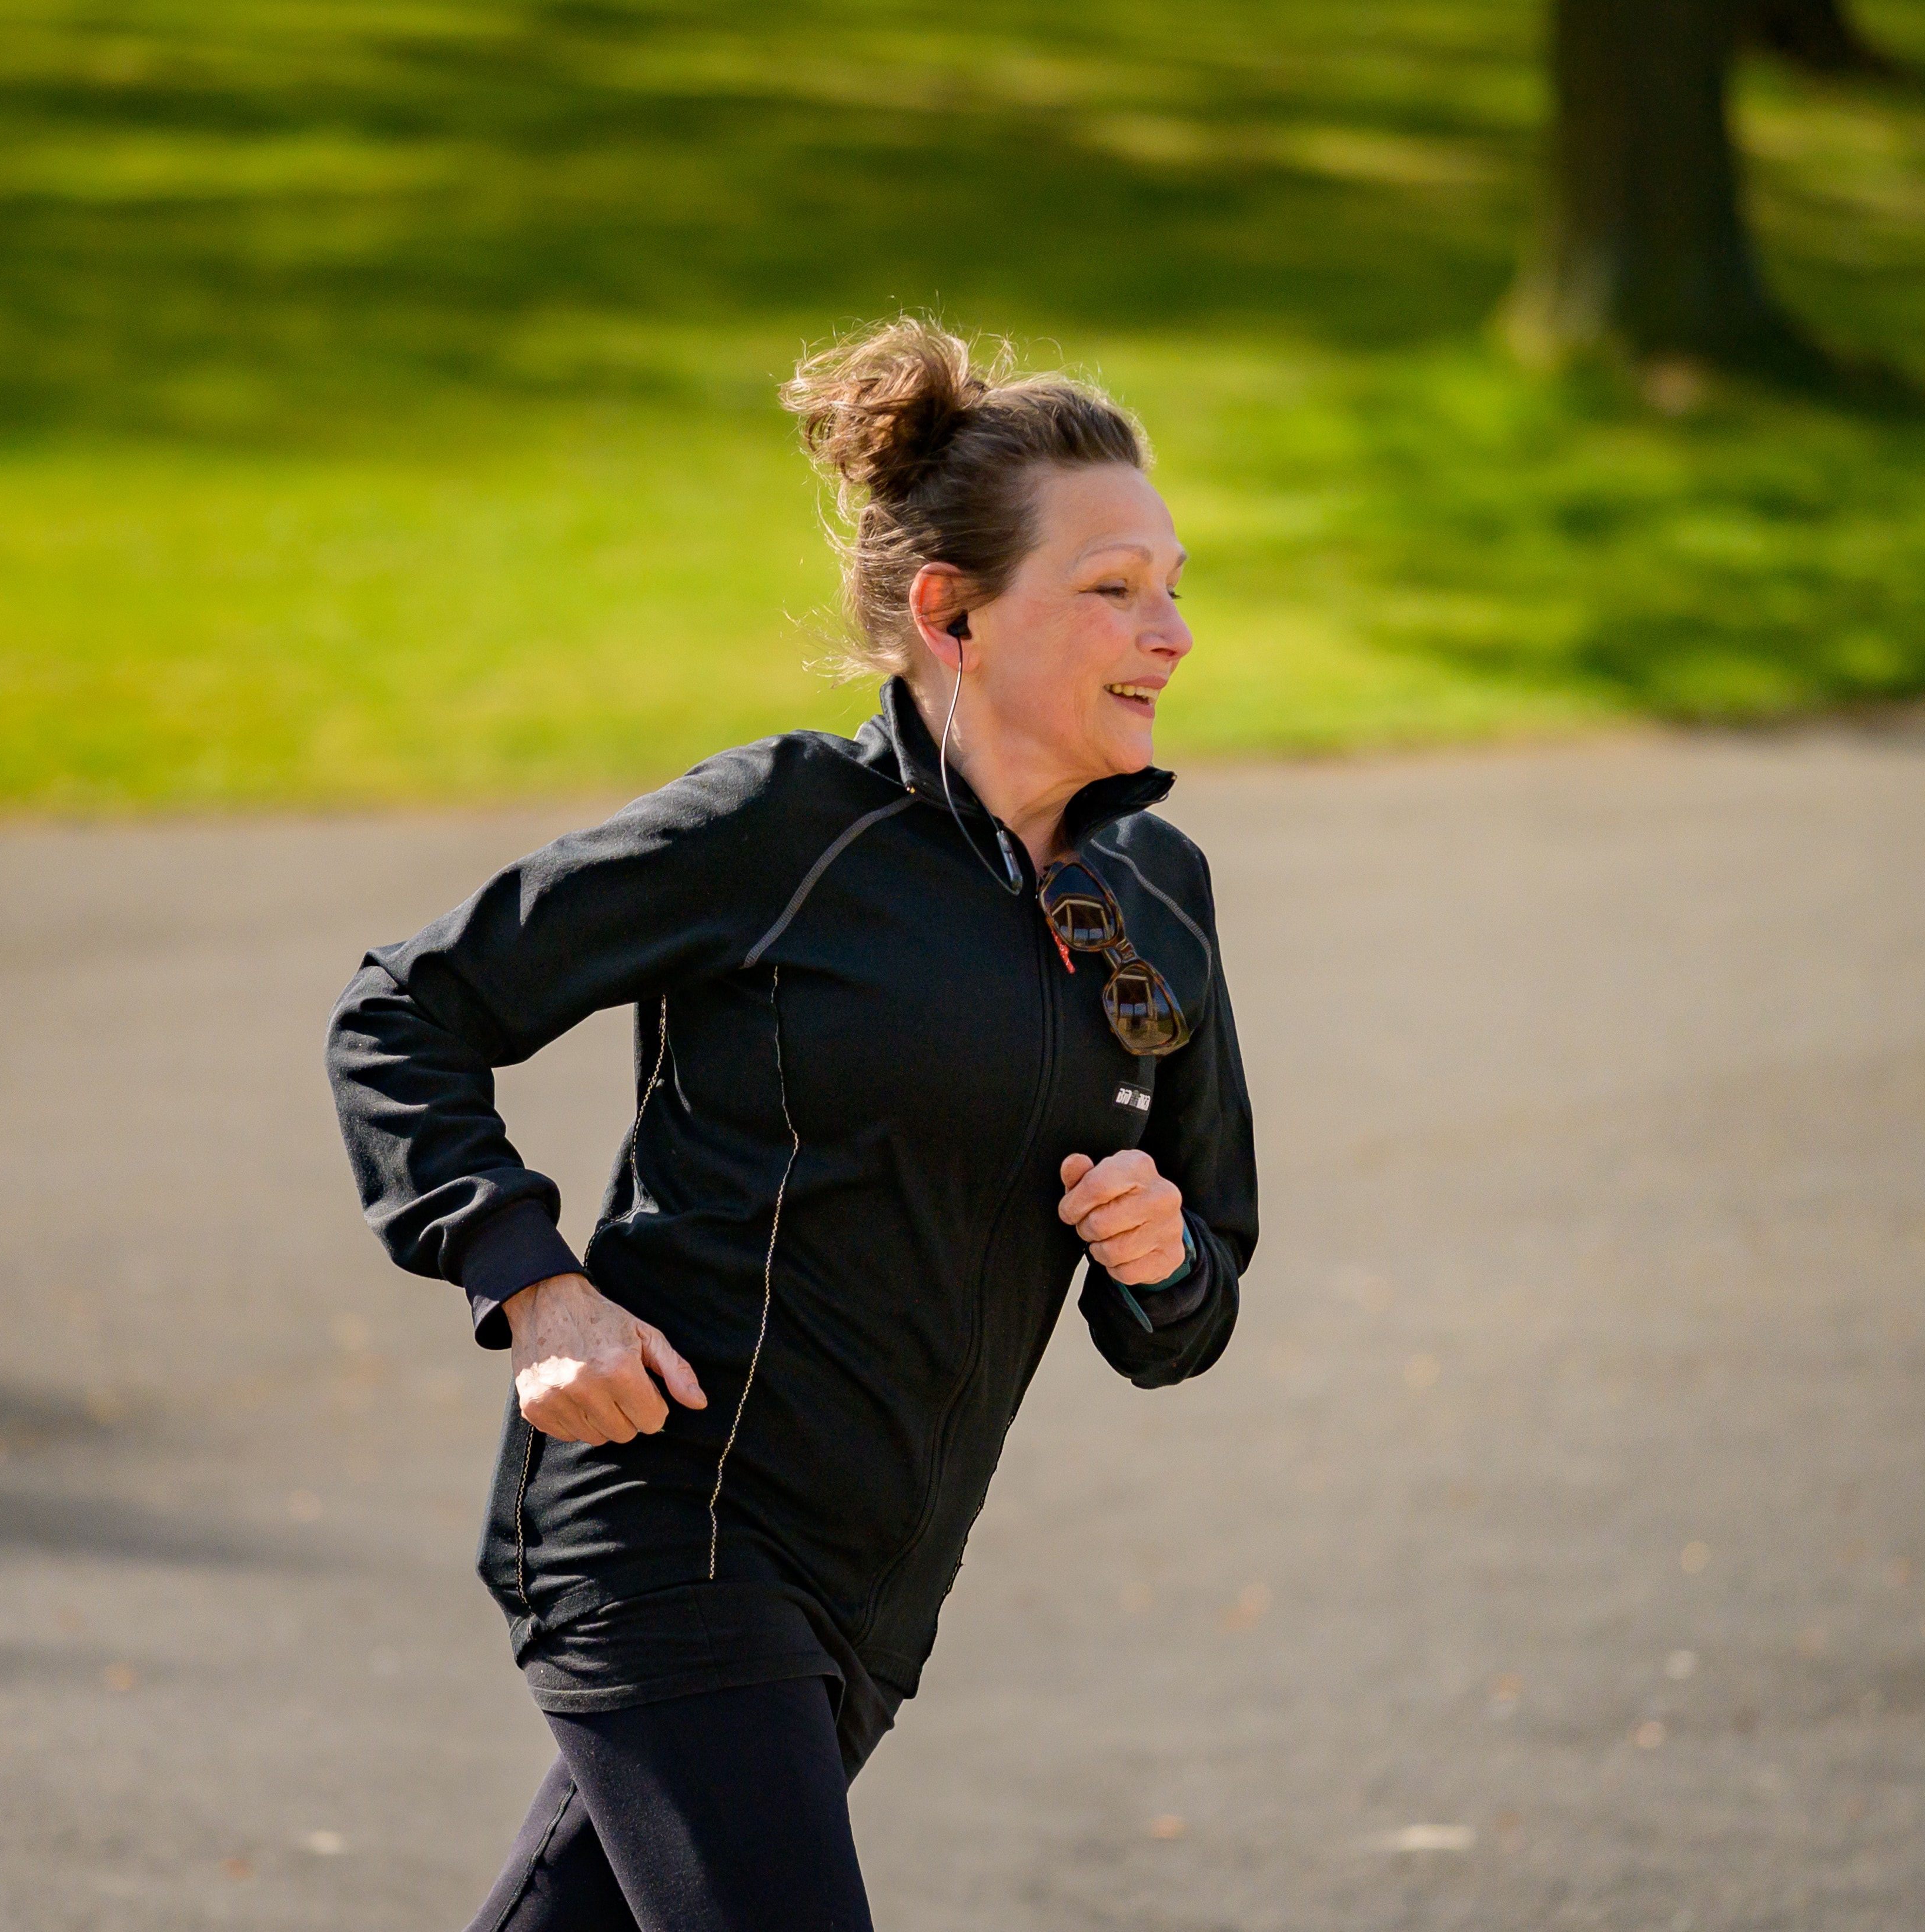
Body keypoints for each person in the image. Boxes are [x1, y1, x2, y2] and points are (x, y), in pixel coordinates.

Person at [324, 317, 1256, 1930]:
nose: (1167, 630)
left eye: (1172, 582)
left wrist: (1161, 1259)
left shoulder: (1155, 900)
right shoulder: (782, 831)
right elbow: (404, 1009)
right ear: (950, 614)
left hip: (873, 1591)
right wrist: (533, 1283)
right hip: (667, 1525)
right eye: (1111, 587)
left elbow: (1187, 1312)